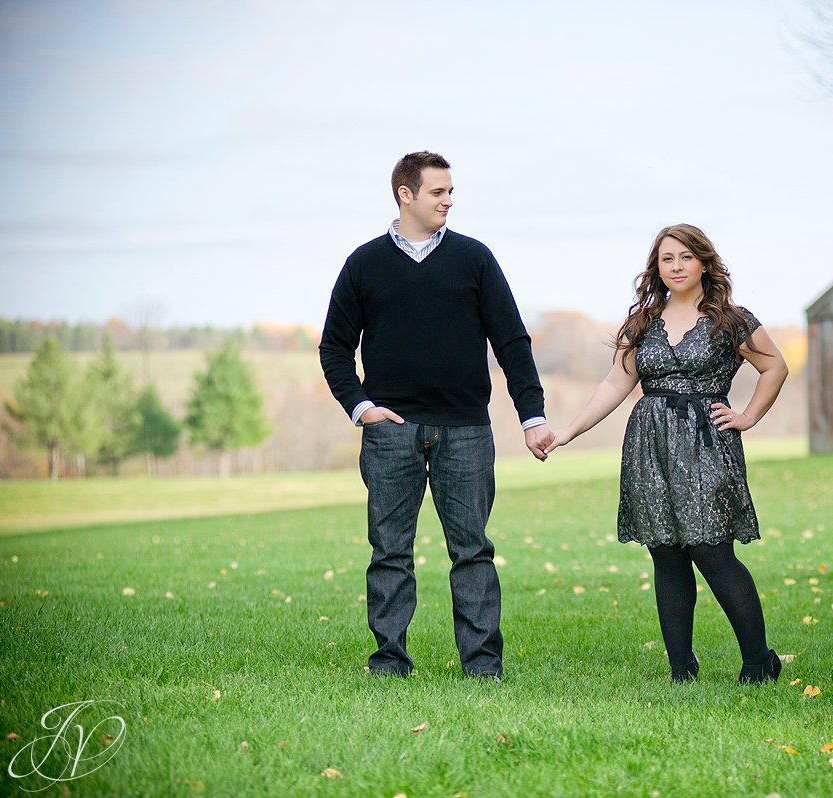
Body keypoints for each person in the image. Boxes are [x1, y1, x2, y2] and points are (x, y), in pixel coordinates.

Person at [319, 151, 554, 681]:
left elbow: (512, 341)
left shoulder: (474, 258)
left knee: (472, 551)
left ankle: (483, 667)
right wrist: (361, 408)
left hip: (466, 429)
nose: (449, 200)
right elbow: (334, 348)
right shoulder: (364, 263)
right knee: (390, 552)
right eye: (438, 192)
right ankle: (389, 663)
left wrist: (531, 414)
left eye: (451, 192)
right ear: (406, 194)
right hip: (390, 433)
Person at [545, 223, 788, 683]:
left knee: (711, 551)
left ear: (704, 262)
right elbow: (617, 383)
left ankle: (758, 663)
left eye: (685, 257)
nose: (676, 266)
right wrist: (568, 431)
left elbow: (774, 366)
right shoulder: (642, 322)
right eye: (666, 259)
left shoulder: (729, 319)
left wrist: (748, 416)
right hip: (650, 445)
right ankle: (682, 668)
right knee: (666, 553)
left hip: (705, 441)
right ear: (656, 268)